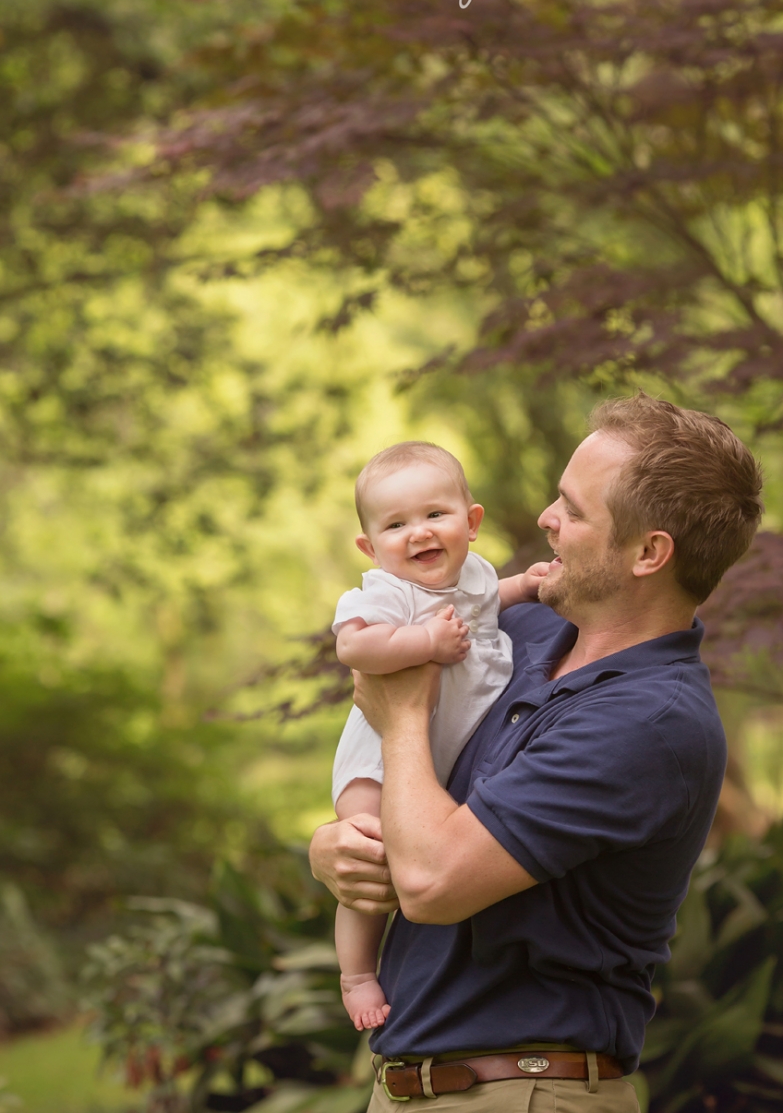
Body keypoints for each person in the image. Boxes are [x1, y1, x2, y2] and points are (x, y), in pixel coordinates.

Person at [310, 393, 763, 1113]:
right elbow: (413, 814)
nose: (547, 520)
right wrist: (336, 847)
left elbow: (431, 881)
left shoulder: (646, 720)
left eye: (574, 510)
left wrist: (400, 717)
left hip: (525, 1089)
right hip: (411, 1086)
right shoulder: (521, 635)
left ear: (649, 553)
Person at [331, 442, 549, 1030]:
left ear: (470, 523)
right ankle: (356, 974)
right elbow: (353, 646)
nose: (418, 533)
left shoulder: (474, 577)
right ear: (370, 548)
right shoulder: (389, 594)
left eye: (434, 515)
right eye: (396, 524)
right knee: (368, 862)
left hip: (429, 759)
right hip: (378, 757)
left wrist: (523, 587)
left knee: (415, 849)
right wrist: (423, 644)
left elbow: (485, 604)